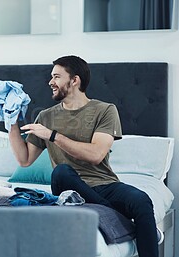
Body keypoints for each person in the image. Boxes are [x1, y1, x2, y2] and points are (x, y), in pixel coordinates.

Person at [8, 55, 160, 257]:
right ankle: (116, 214)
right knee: (61, 172)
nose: (50, 82)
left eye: (56, 77)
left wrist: (52, 135)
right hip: (69, 187)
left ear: (74, 80)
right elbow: (24, 159)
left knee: (142, 201)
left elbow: (96, 154)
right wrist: (10, 122)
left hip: (105, 184)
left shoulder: (104, 110)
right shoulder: (46, 116)